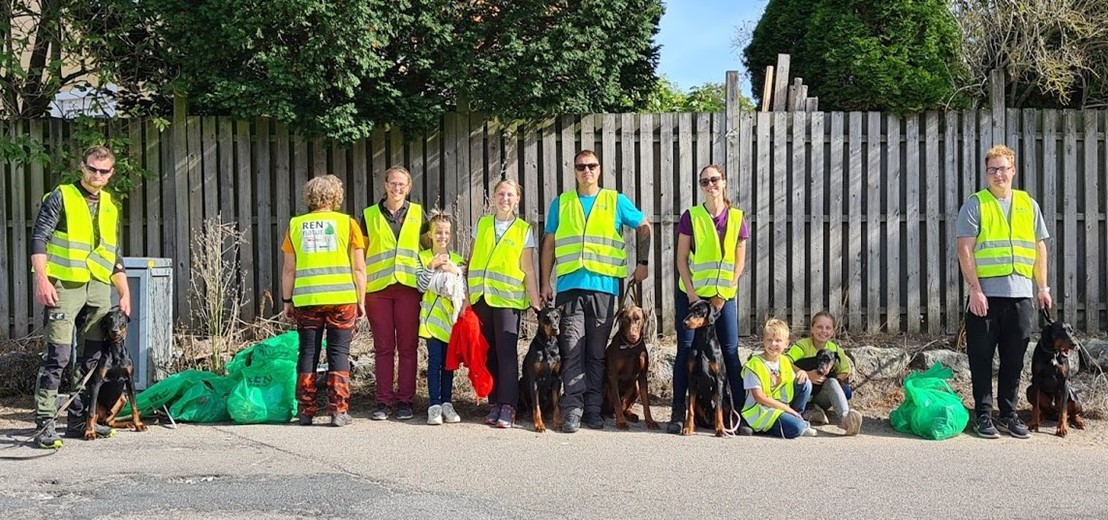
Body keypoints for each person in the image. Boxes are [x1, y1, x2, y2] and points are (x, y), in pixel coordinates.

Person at [540, 150, 652, 433]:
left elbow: (644, 226)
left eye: (591, 166)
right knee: (571, 348)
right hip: (568, 288)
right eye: (581, 166)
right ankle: (573, 409)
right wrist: (544, 282)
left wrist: (643, 263)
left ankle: (593, 409)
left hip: (603, 289)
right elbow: (550, 244)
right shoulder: (562, 203)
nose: (586, 170)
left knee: (595, 352)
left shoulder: (615, 200)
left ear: (599, 169)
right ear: (574, 170)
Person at [30, 145, 132, 448]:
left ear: (111, 173)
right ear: (82, 168)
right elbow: (39, 238)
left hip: (98, 287)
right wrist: (42, 280)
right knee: (58, 356)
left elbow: (113, 253)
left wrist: (124, 291)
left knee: (92, 359)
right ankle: (45, 424)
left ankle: (78, 420)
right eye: (92, 169)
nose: (97, 175)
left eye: (103, 171)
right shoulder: (62, 196)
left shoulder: (110, 206)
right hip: (64, 285)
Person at [956, 144, 1052, 440]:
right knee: (981, 358)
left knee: (1014, 359)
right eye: (992, 169)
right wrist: (975, 290)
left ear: (1014, 170)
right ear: (987, 173)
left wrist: (1042, 287)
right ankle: (983, 415)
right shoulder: (976, 203)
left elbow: (1039, 247)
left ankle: (1008, 414)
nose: (998, 174)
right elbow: (964, 249)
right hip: (985, 296)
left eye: (1003, 168)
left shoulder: (1027, 203)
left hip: (1021, 296)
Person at [280, 174, 366, 427]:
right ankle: (338, 411)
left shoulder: (295, 225)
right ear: (336, 197)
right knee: (338, 352)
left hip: (307, 299)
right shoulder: (348, 224)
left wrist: (287, 300)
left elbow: (288, 270)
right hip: (341, 299)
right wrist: (361, 300)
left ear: (310, 197)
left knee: (308, 352)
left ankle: (306, 411)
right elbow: (359, 269)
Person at [669, 164, 748, 434]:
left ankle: (739, 413)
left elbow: (739, 262)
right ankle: (679, 411)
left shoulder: (737, 217)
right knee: (686, 351)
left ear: (724, 182)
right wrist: (691, 293)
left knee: (730, 352)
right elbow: (680, 259)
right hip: (692, 295)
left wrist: (725, 293)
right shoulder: (691, 216)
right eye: (704, 181)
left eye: (714, 180)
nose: (710, 185)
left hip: (723, 297)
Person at [468, 179, 542, 428]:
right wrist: (467, 297)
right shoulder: (482, 224)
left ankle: (509, 406)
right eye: (501, 194)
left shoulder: (523, 229)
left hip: (508, 301)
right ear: (494, 197)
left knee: (507, 354)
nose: (505, 198)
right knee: (489, 353)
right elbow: (471, 260)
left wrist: (535, 301)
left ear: (517, 199)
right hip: (482, 298)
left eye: (510, 195)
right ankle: (495, 403)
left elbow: (528, 269)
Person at [361, 166, 424, 421]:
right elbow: (360, 255)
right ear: (385, 184)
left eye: (402, 184)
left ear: (408, 187)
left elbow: (429, 249)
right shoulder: (368, 215)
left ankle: (406, 401)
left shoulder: (420, 214)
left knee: (408, 347)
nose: (397, 188)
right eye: (393, 183)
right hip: (378, 290)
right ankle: (383, 401)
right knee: (384, 347)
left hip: (409, 288)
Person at [417, 211, 465, 426]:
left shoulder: (457, 260)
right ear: (430, 234)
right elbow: (420, 285)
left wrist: (455, 272)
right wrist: (431, 266)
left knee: (449, 364)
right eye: (438, 232)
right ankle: (434, 405)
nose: (442, 236)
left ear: (451, 235)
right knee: (435, 362)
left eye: (446, 233)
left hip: (451, 322)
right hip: (430, 321)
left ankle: (447, 402)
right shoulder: (422, 257)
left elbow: (462, 290)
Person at [785, 312, 862, 436]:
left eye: (828, 328)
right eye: (819, 327)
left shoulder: (835, 349)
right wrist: (807, 374)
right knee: (805, 382)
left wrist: (827, 380)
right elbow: (785, 362)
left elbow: (845, 370)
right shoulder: (802, 345)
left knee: (843, 389)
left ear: (833, 331)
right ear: (812, 328)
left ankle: (846, 419)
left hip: (820, 395)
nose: (823, 331)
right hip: (801, 392)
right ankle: (809, 411)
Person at [740, 318, 816, 438]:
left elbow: (791, 383)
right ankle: (761, 427)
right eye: (769, 340)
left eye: (778, 341)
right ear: (763, 341)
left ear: (786, 344)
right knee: (797, 428)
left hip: (780, 408)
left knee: (806, 384)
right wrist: (788, 410)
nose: (773, 344)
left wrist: (802, 373)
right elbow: (759, 397)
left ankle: (797, 417)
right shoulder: (754, 364)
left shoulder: (784, 361)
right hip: (762, 411)